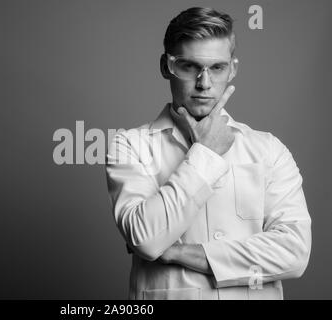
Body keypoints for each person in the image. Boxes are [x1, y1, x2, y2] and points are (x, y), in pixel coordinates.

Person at [104, 7, 311, 300]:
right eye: (189, 66)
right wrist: (205, 153)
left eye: (217, 68)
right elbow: (147, 240)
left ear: (233, 69)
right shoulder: (131, 145)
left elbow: (294, 253)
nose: (204, 83)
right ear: (166, 67)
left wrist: (179, 252)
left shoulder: (269, 149)